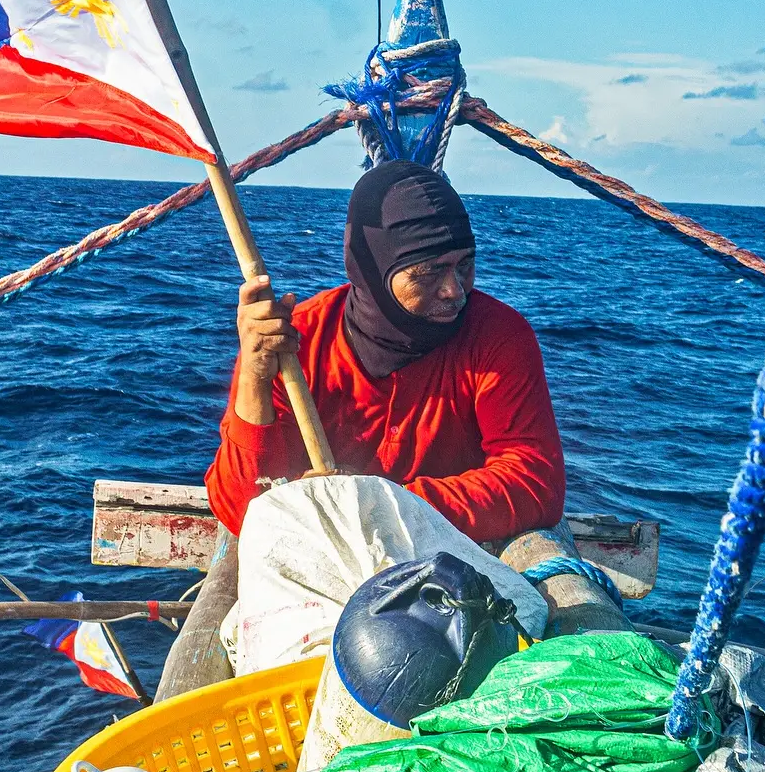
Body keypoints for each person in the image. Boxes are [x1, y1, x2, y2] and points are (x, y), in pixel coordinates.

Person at [205, 159, 566, 543]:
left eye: (465, 265)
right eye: (427, 273)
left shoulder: (498, 336)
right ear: (373, 273)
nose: (455, 290)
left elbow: (533, 480)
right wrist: (253, 379)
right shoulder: (293, 341)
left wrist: (377, 505)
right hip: (313, 549)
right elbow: (243, 509)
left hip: (448, 559)